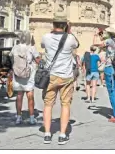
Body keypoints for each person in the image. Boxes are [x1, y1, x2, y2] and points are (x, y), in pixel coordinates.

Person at [41, 16, 79, 145]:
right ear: (65, 25)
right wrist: (69, 30)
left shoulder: (46, 37)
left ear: (53, 24)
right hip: (66, 77)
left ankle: (47, 134)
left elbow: (42, 46)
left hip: (50, 76)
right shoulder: (70, 38)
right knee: (65, 104)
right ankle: (62, 135)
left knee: (48, 104)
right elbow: (77, 44)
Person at [9, 31, 40, 125]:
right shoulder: (31, 48)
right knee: (30, 96)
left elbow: (11, 58)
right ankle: (31, 118)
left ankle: (18, 117)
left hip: (17, 74)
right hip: (29, 74)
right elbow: (38, 60)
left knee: (19, 96)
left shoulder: (15, 47)